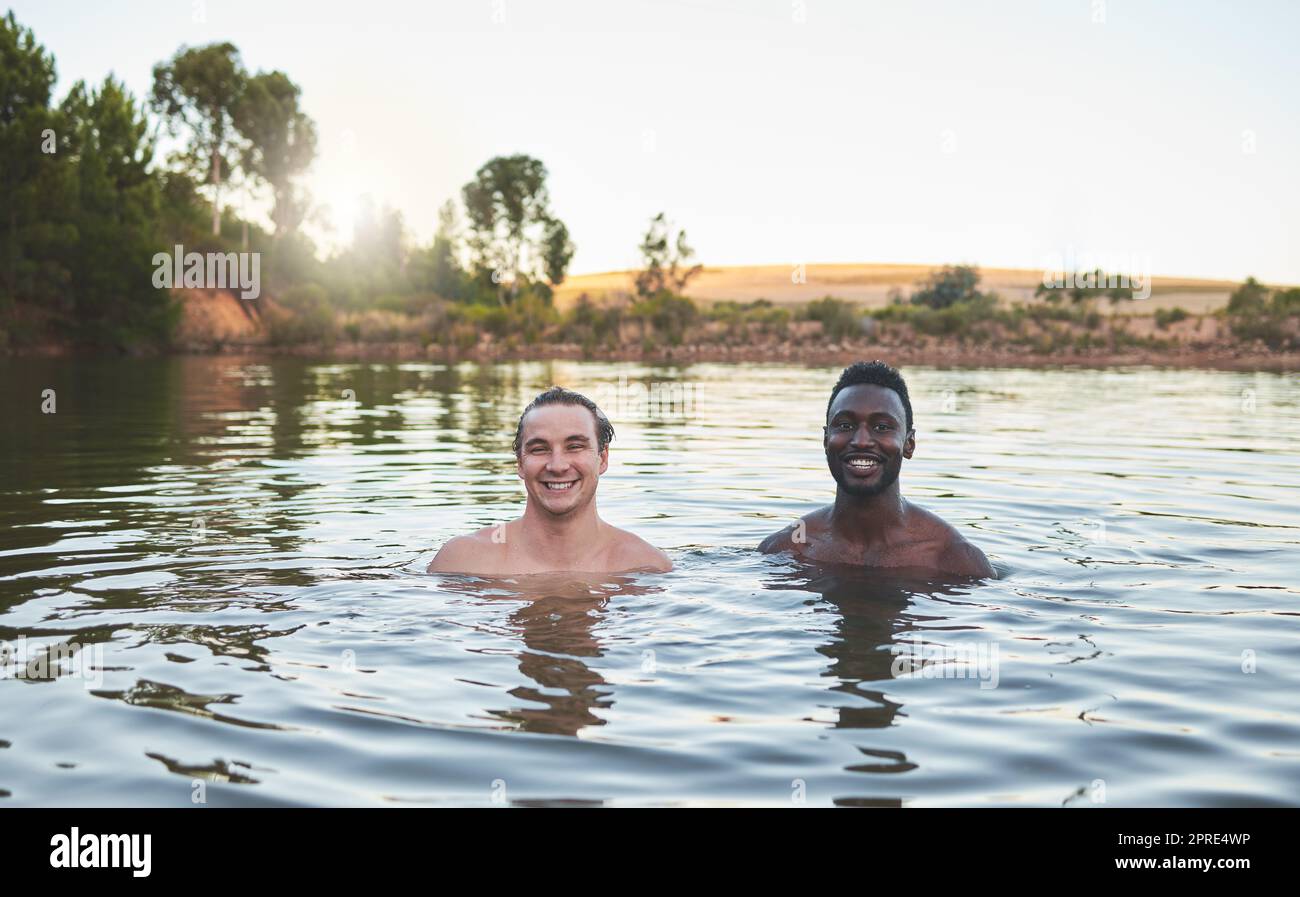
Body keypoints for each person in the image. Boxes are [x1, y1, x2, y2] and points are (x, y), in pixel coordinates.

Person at [759, 360, 994, 578]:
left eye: (882, 427)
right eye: (845, 425)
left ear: (908, 444)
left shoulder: (954, 560)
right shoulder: (788, 547)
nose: (861, 441)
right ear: (825, 439)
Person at [429, 386, 672, 575]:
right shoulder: (463, 561)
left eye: (574, 446)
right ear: (520, 463)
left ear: (603, 457)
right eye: (539, 449)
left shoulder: (645, 567)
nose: (557, 466)